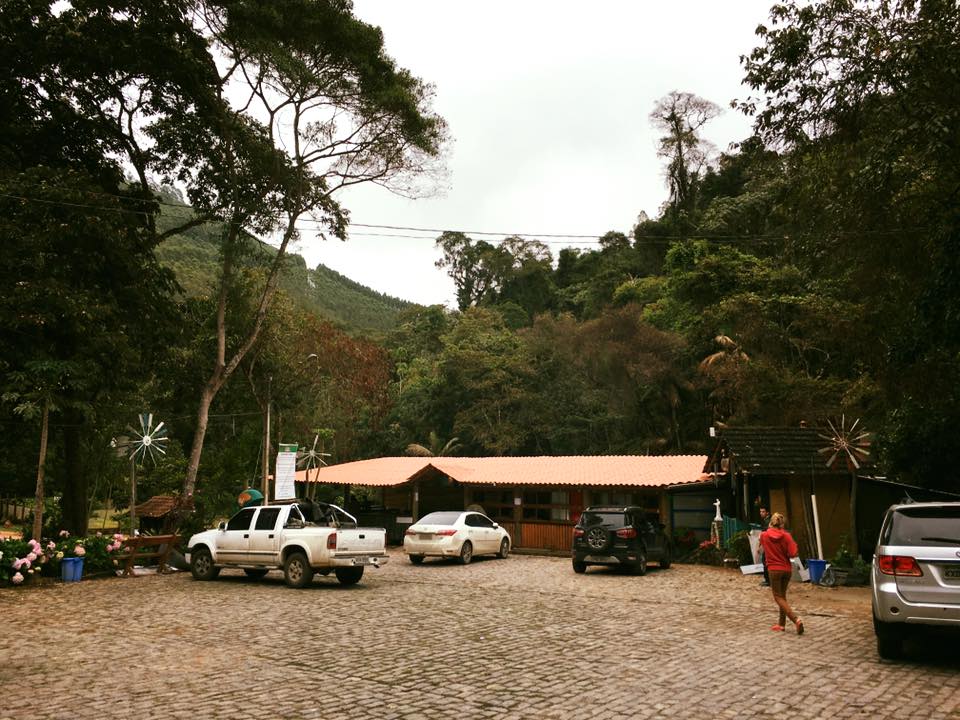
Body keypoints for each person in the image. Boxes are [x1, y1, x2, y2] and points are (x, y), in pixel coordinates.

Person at [759, 512, 804, 634]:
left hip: (773, 570)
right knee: (782, 597)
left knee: (778, 597)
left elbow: (761, 547)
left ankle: (796, 620)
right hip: (786, 570)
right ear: (782, 524)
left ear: (770, 523)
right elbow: (793, 553)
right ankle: (781, 624)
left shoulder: (764, 535)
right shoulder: (787, 536)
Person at [757, 507, 771, 587]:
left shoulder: (767, 521)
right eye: (760, 511)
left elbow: (764, 534)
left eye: (763, 511)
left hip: (767, 544)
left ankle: (768, 580)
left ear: (767, 512)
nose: (761, 513)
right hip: (767, 544)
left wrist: (760, 545)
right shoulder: (766, 521)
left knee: (765, 561)